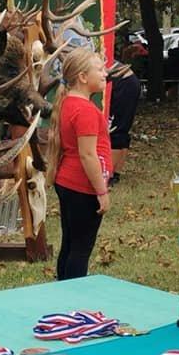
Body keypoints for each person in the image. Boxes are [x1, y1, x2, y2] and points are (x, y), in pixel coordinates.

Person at [46, 49, 111, 281]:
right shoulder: (84, 110)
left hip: (67, 182)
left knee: (70, 243)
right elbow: (88, 155)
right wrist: (101, 191)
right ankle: (74, 300)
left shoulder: (68, 103)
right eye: (100, 69)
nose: (105, 73)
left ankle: (62, 291)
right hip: (82, 186)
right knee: (81, 248)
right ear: (83, 77)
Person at [108, 48, 140, 184]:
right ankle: (115, 173)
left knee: (116, 128)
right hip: (126, 81)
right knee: (121, 127)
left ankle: (109, 174)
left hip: (124, 83)